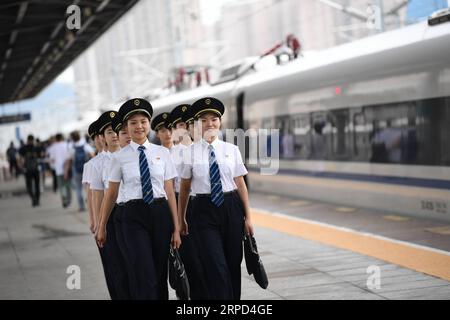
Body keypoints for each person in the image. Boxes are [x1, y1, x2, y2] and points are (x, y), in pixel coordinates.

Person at [96, 98, 181, 300]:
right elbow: (111, 194)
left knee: (160, 273)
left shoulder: (162, 153)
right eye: (133, 123)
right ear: (125, 127)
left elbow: (169, 191)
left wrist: (176, 227)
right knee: (144, 272)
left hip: (160, 214)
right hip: (133, 217)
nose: (139, 126)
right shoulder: (119, 157)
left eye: (143, 121)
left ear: (149, 124)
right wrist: (101, 226)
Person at [178, 97, 254, 300]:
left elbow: (240, 184)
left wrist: (248, 217)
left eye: (214, 119)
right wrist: (181, 218)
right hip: (202, 211)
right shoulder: (190, 153)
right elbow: (184, 188)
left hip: (231, 207)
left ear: (220, 121)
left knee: (232, 263)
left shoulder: (232, 150)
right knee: (216, 265)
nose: (210, 124)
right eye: (204, 120)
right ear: (196, 124)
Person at [168, 104, 209, 299]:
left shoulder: (202, 150)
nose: (186, 129)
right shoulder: (170, 155)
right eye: (181, 125)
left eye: (190, 124)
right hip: (180, 204)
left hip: (199, 204)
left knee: (205, 255)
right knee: (189, 257)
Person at [90, 111, 130, 300]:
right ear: (103, 138)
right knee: (116, 265)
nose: (114, 135)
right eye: (109, 132)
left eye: (117, 131)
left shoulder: (131, 155)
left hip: (131, 213)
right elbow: (97, 195)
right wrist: (99, 223)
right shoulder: (98, 164)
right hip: (111, 215)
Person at [65, 131, 95, 211]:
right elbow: (92, 155)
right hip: (86, 169)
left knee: (78, 188)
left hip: (76, 169)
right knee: (88, 187)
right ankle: (90, 203)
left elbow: (69, 160)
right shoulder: (85, 146)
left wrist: (66, 171)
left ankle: (81, 206)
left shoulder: (71, 148)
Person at [18, 135, 41, 207]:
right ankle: (36, 199)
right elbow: (41, 156)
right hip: (34, 169)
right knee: (35, 186)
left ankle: (35, 199)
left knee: (30, 186)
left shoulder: (23, 148)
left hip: (28, 170)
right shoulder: (36, 148)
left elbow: (19, 158)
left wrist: (20, 166)